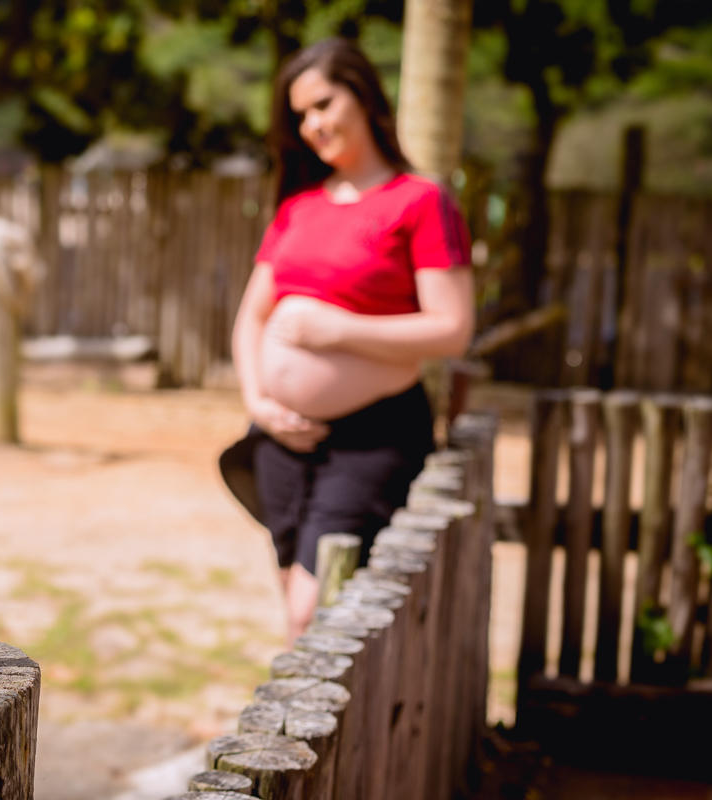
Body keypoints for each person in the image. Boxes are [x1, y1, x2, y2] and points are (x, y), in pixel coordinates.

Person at [221, 38, 474, 646]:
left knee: (317, 610)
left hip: (371, 435)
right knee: (294, 606)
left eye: (324, 104)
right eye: (301, 115)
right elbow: (249, 320)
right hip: (279, 438)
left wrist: (338, 330)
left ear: (363, 96)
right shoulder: (299, 208)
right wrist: (260, 403)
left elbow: (452, 327)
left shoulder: (419, 200)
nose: (313, 125)